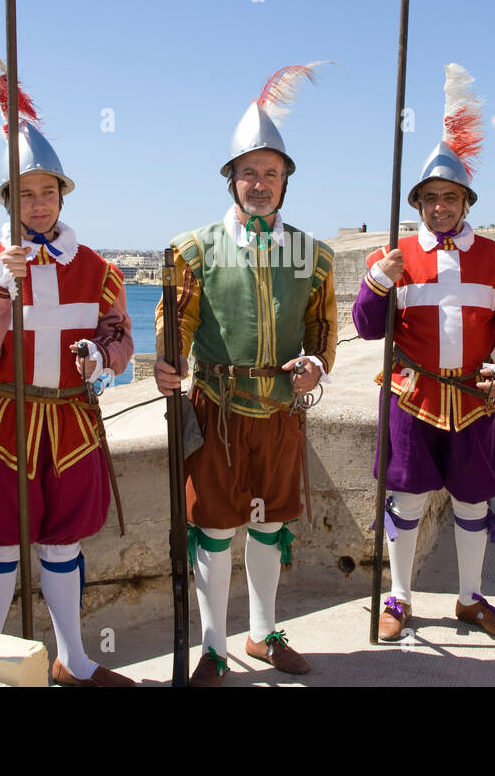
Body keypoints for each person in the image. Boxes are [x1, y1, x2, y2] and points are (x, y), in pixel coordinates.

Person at [0, 66, 135, 687]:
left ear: (62, 197)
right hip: (3, 420)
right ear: (7, 201)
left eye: (47, 193)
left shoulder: (100, 269)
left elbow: (120, 339)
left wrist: (101, 360)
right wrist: (1, 287)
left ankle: (73, 660)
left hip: (72, 420)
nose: (38, 204)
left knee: (62, 545)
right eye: (25, 194)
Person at [155, 63, 337, 686]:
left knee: (268, 524)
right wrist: (166, 363)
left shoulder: (314, 255)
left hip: (281, 411)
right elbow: (174, 329)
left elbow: (322, 329)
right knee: (212, 527)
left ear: (285, 182)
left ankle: (262, 633)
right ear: (231, 180)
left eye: (271, 173)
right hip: (216, 408)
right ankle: (213, 645)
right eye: (249, 173)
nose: (260, 183)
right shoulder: (193, 249)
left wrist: (315, 364)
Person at [352, 63, 495, 642]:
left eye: (449, 197)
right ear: (419, 203)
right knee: (405, 498)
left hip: (474, 399)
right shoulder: (395, 254)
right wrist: (377, 281)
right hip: (414, 395)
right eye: (429, 198)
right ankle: (399, 600)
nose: (439, 207)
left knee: (473, 502)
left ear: (465, 200)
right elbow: (367, 329)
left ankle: (470, 598)